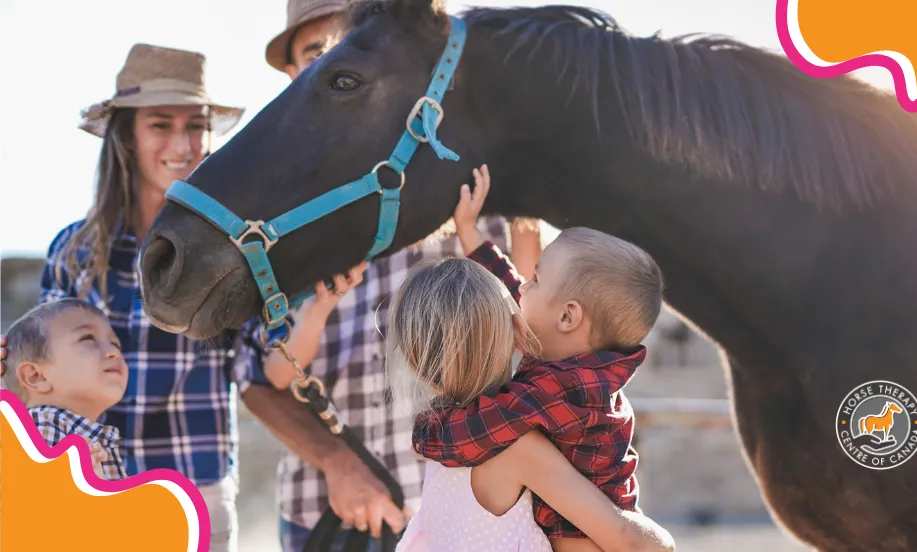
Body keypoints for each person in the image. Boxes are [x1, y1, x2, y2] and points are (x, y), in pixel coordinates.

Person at [0, 42, 349, 552]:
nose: (182, 144)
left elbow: (266, 373)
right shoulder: (76, 252)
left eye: (195, 125)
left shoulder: (238, 250)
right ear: (126, 139)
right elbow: (42, 375)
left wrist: (318, 306)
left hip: (195, 492)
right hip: (87, 489)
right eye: (161, 125)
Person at [235, 2, 544, 551]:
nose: (335, 64)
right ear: (294, 79)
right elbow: (263, 376)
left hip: (457, 507)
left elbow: (528, 315)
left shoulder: (460, 179)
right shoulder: (279, 211)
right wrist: (337, 463)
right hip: (330, 512)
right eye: (316, 55)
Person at [384, 198, 674, 552]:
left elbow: (471, 430)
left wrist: (424, 434)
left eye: (535, 279)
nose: (521, 288)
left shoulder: (557, 389)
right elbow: (510, 288)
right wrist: (470, 235)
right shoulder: (567, 356)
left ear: (568, 318)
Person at [4, 298, 129, 481]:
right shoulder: (41, 426)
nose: (114, 352)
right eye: (88, 338)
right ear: (36, 376)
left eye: (115, 344)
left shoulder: (89, 437)